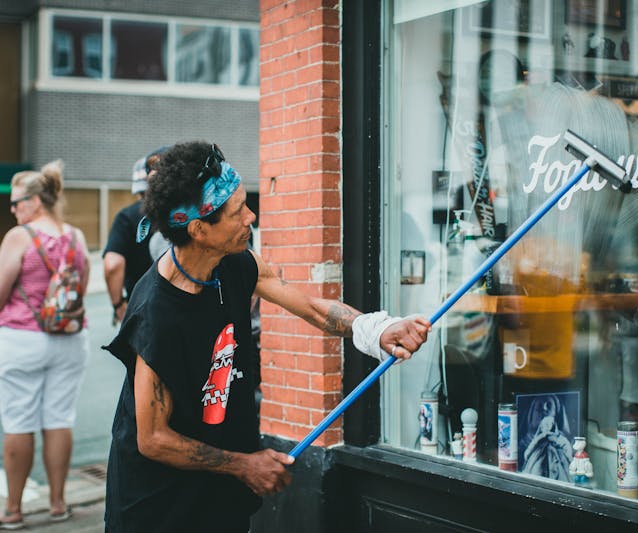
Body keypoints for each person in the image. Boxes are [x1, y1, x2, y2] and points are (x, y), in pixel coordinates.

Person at [103, 141, 431, 532]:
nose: (251, 216)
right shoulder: (157, 311)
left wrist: (376, 329)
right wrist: (246, 464)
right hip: (158, 508)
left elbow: (311, 307)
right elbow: (153, 438)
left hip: (219, 496)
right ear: (199, 229)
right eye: (238, 210)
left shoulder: (238, 263)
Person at [0, 161, 90, 529]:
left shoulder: (19, 237)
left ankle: (14, 511)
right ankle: (57, 504)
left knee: (19, 420)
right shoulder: (76, 236)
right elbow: (80, 290)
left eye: (18, 202)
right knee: (59, 419)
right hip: (69, 339)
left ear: (36, 201)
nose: (13, 208)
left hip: (22, 337)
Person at [103, 147, 169, 325]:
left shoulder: (127, 216)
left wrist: (118, 305)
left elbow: (112, 265)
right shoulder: (192, 215)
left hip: (140, 311)